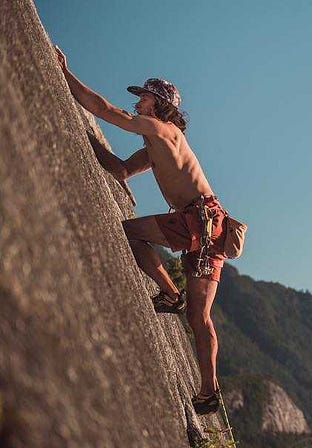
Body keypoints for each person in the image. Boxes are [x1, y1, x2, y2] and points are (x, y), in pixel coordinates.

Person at [56, 46, 224, 415]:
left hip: (196, 220)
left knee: (132, 233)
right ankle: (208, 390)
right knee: (200, 317)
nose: (137, 102)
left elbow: (104, 110)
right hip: (211, 225)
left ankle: (169, 293)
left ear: (159, 105)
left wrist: (64, 74)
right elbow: (121, 169)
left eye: (143, 97)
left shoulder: (160, 128)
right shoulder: (157, 144)